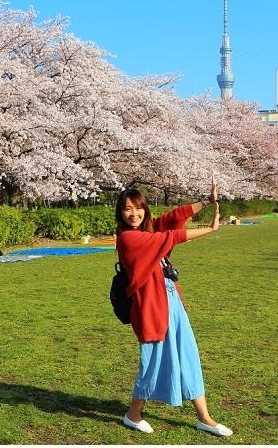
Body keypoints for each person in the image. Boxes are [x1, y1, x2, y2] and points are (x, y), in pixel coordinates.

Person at [115, 174, 233, 437]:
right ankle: (133, 414)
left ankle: (204, 417)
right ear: (120, 213)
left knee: (187, 353)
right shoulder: (128, 239)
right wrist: (210, 230)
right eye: (127, 209)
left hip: (171, 300)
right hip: (151, 306)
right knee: (154, 360)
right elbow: (170, 237)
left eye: (137, 208)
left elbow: (171, 219)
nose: (133, 214)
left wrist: (205, 201)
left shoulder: (147, 228)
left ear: (145, 208)